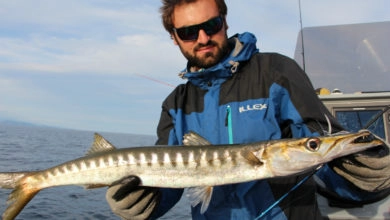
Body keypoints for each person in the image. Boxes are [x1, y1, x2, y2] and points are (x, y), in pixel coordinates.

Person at [106, 0, 390, 219]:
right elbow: (170, 184)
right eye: (189, 32)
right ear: (175, 37)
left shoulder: (276, 72)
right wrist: (142, 204)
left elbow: (317, 142)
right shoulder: (175, 105)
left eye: (212, 24)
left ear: (225, 22)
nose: (203, 38)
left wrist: (359, 173)